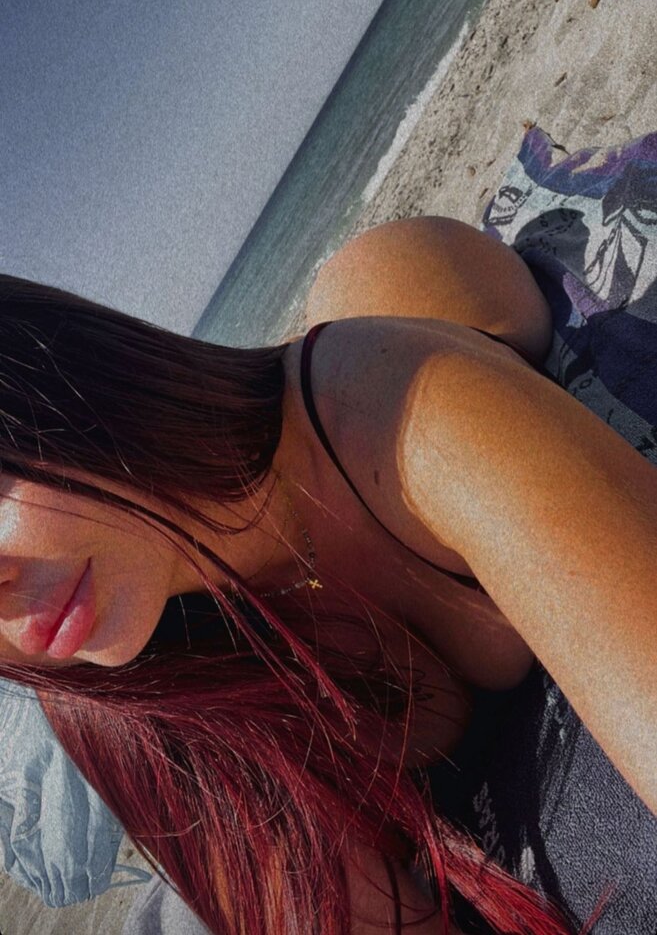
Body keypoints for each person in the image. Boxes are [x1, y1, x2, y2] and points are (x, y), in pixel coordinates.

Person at [0, 125, 655, 934]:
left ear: (45, 379)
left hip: (414, 302)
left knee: (425, 287)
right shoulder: (130, 713)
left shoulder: (399, 408)